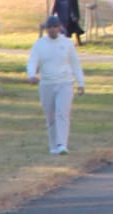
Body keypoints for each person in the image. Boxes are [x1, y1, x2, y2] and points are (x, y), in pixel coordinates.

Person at [24, 16, 87, 154]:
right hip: (46, 83)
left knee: (62, 113)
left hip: (64, 82)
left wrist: (81, 82)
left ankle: (62, 144)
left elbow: (75, 63)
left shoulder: (67, 43)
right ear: (46, 29)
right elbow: (32, 61)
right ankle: (53, 146)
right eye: (49, 27)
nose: (52, 30)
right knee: (50, 116)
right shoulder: (39, 44)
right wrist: (31, 75)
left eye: (54, 27)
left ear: (59, 28)